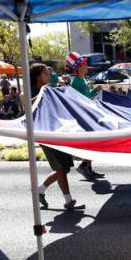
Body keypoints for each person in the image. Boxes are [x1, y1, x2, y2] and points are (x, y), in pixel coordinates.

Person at [30, 63, 84, 211]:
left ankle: (40, 190)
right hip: (45, 134)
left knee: (64, 168)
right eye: (46, 74)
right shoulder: (31, 92)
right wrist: (43, 93)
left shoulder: (49, 89)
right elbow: (29, 106)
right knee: (60, 168)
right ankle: (68, 201)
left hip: (58, 132)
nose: (49, 76)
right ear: (38, 76)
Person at [64, 52, 104, 181]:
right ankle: (83, 166)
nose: (87, 66)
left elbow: (86, 97)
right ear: (79, 68)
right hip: (83, 116)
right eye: (84, 64)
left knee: (92, 142)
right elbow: (78, 99)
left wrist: (95, 90)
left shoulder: (82, 80)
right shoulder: (77, 82)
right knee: (93, 143)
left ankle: (89, 169)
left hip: (88, 114)